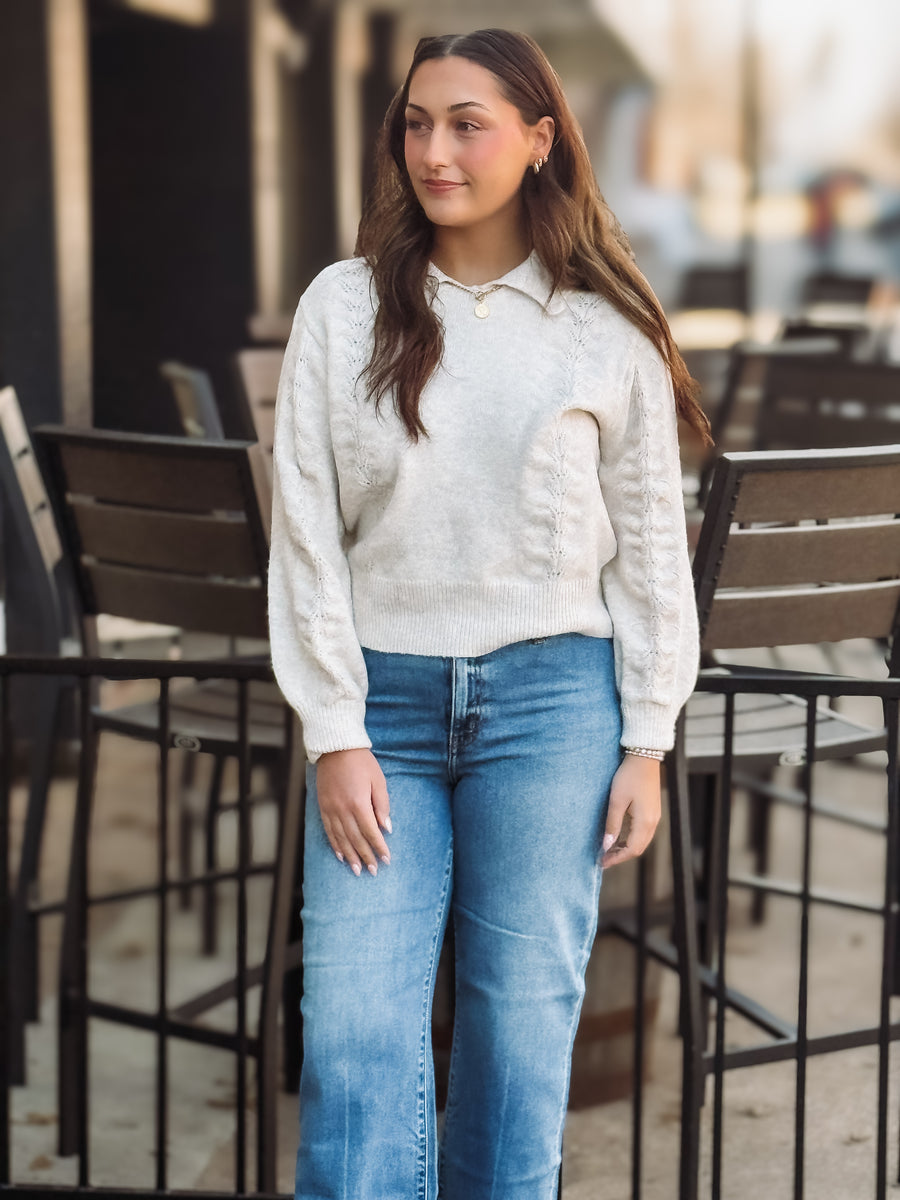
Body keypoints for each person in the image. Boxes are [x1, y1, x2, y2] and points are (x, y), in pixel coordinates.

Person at [268, 27, 710, 1200]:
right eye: (417, 124)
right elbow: (305, 533)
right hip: (383, 705)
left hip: (553, 703)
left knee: (518, 1039)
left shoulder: (604, 327)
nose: (435, 151)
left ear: (539, 140)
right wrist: (335, 730)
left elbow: (650, 552)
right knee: (353, 1033)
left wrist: (649, 737)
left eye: (468, 125)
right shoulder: (342, 307)